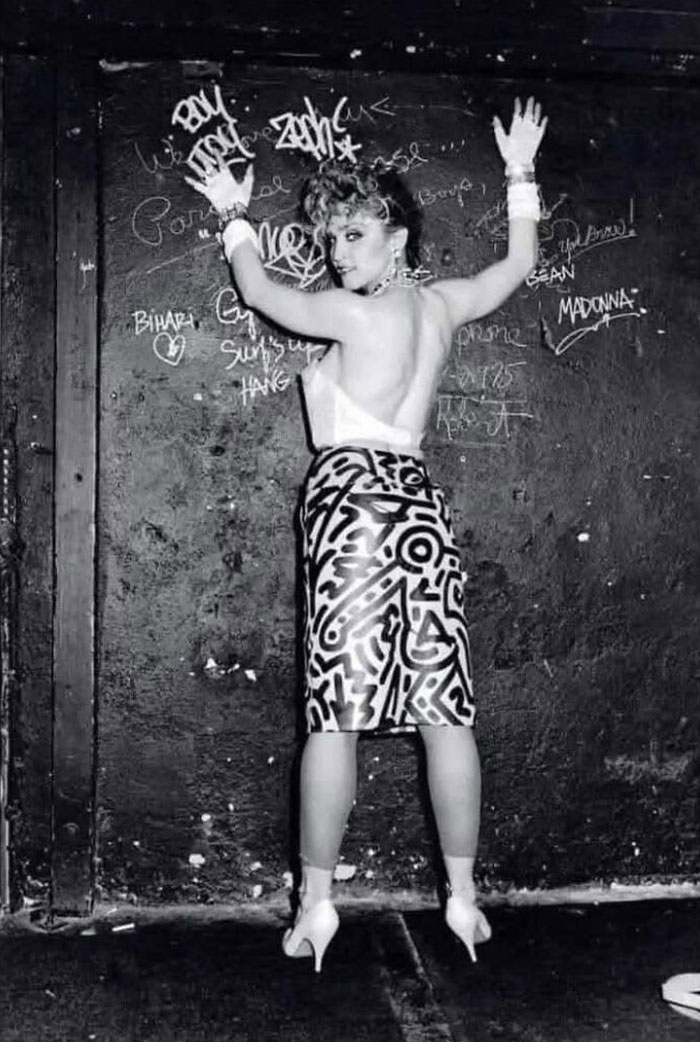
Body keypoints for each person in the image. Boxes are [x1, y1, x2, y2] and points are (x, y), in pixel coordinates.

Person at [187, 96, 547, 973]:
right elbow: (519, 264)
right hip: (417, 502)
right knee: (444, 711)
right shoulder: (443, 306)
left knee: (335, 715)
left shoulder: (353, 316)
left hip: (351, 502)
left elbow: (257, 290)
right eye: (330, 239)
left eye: (353, 235)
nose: (336, 253)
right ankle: (464, 900)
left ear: (397, 236)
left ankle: (318, 908)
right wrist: (519, 172)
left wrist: (234, 214)